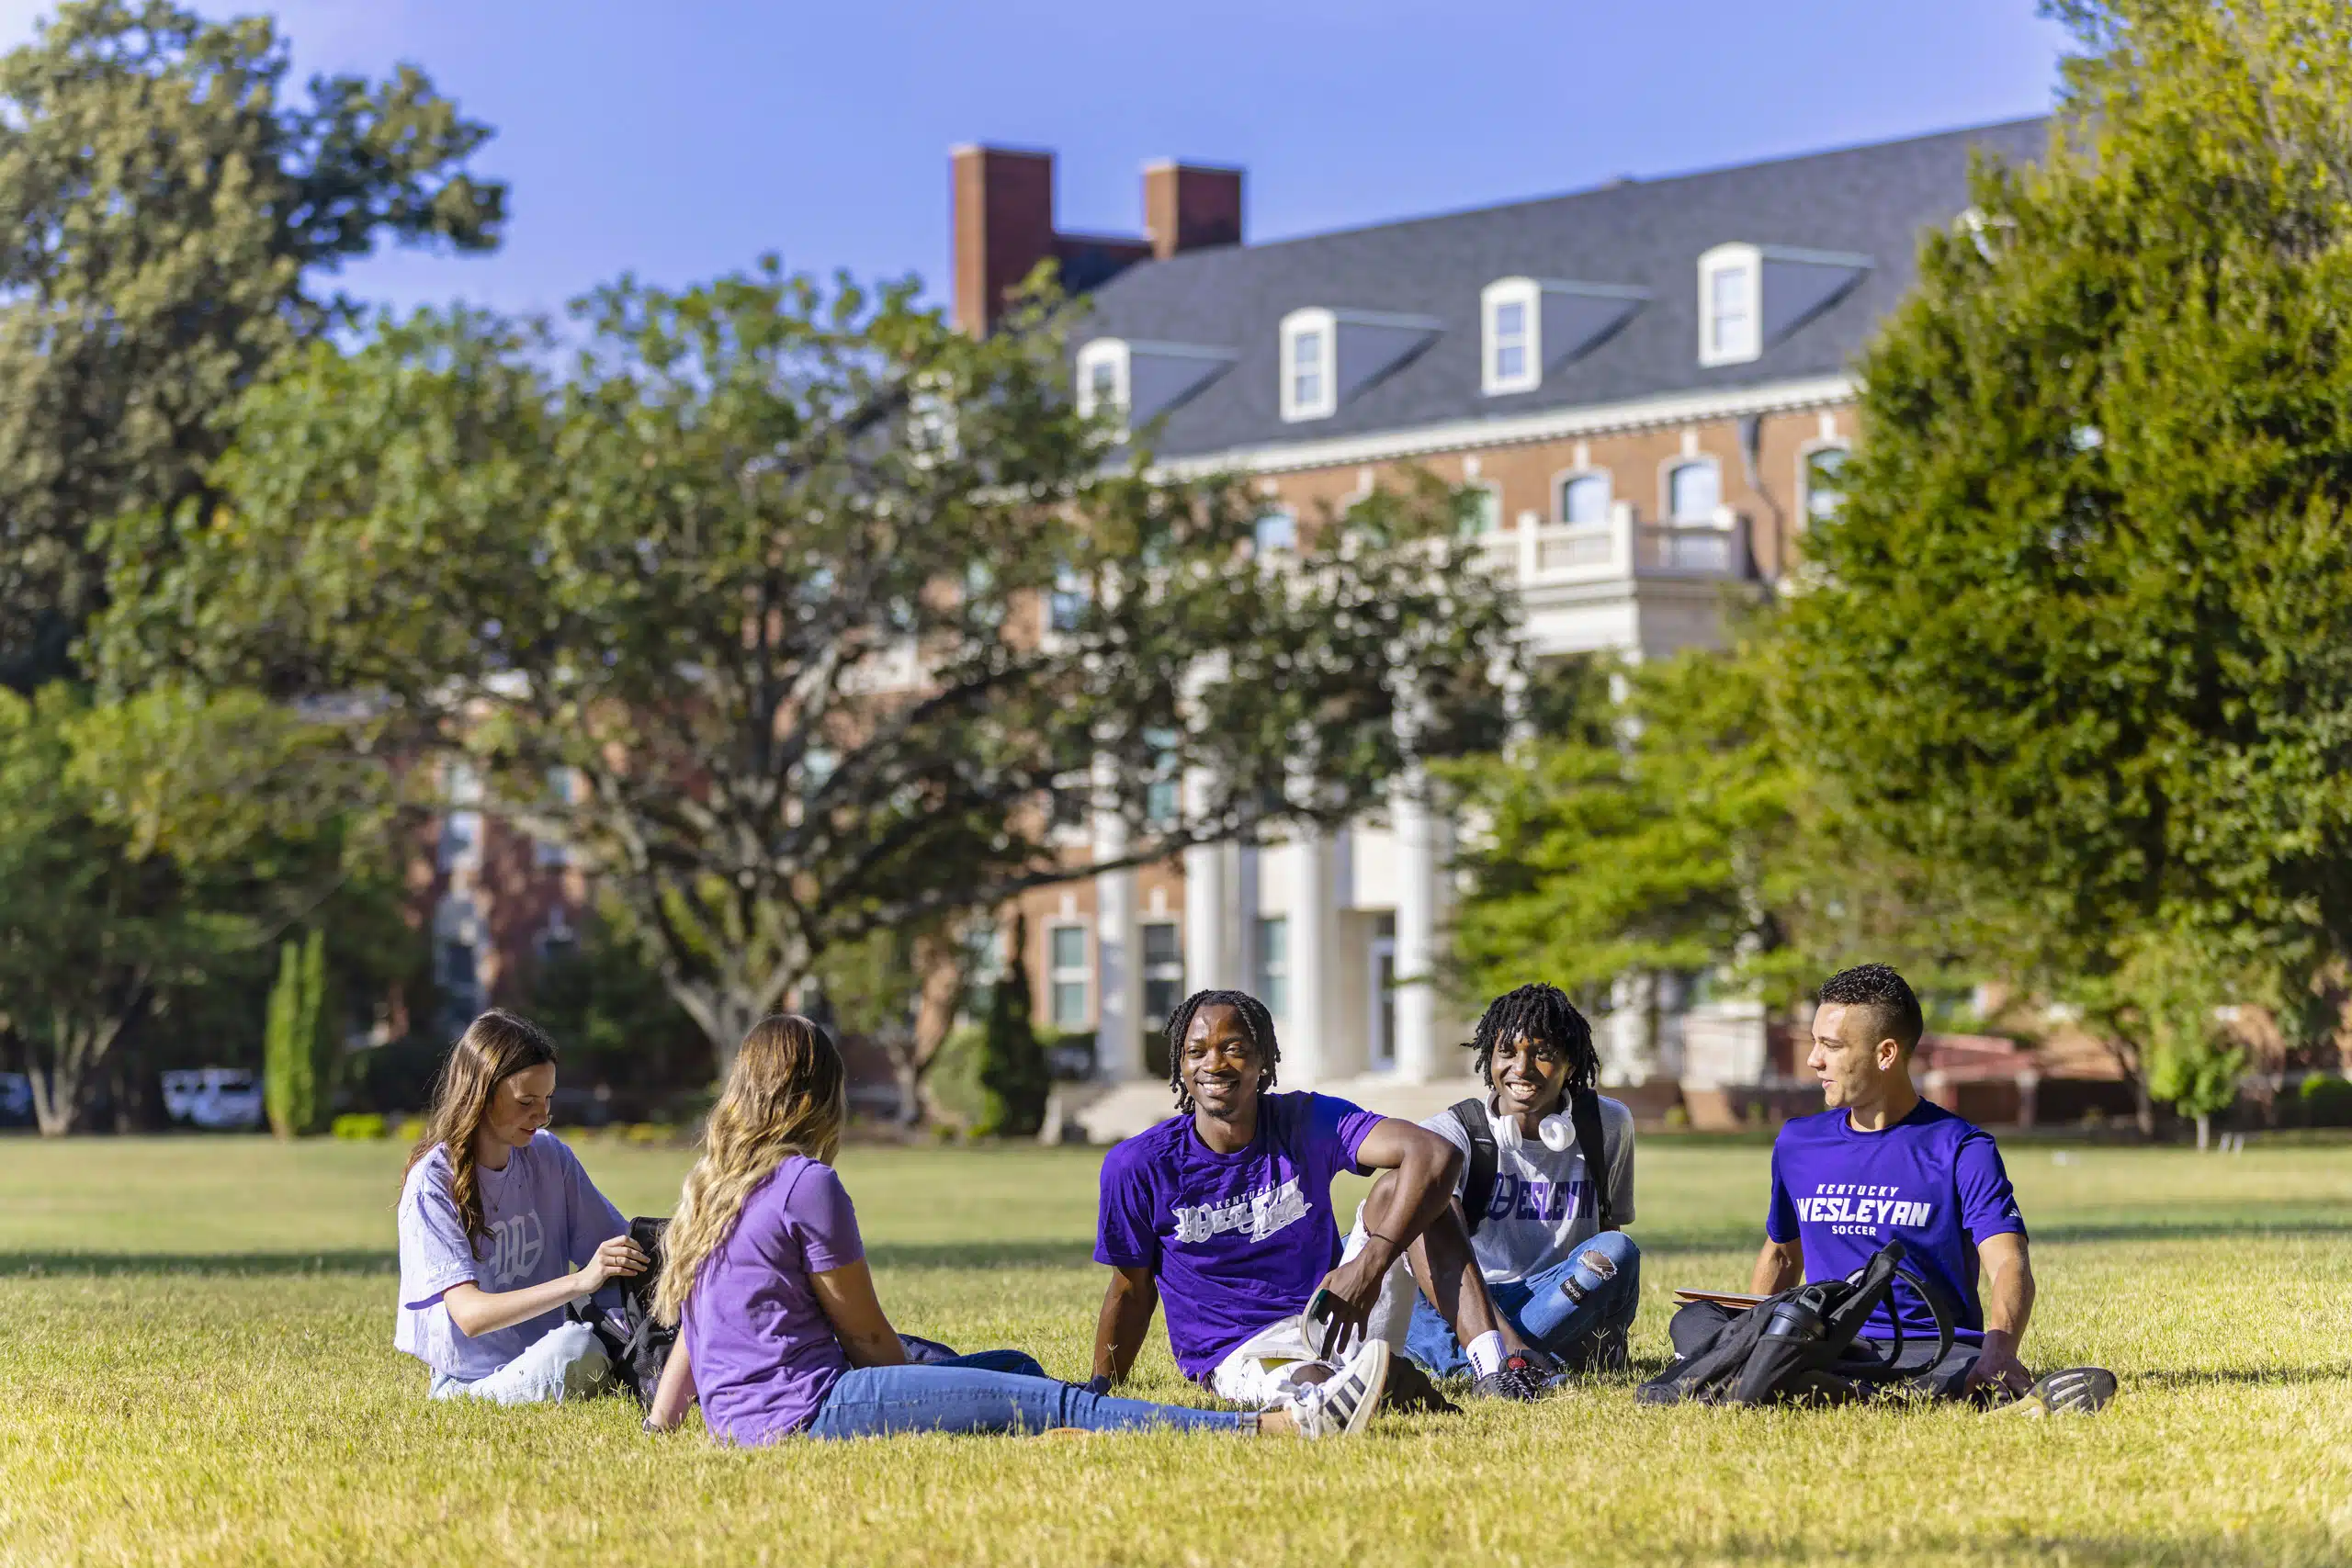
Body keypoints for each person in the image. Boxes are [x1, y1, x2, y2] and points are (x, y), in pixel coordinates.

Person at [643, 1013, 1358, 1441]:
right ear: (822, 1095)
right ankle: (1276, 1426)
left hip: (749, 1418)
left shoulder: (712, 1183)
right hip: (811, 1410)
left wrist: (661, 1423)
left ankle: (1052, 1424)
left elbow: (692, 1329)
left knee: (1012, 1367)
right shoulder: (807, 1183)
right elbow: (866, 1341)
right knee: (1048, 1395)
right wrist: (928, 1397)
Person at [1728, 963, 2114, 1414]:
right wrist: (1747, 1342)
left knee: (1947, 1381)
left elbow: (2008, 1260)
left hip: (1933, 1350)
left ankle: (1966, 1399)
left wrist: (2000, 1351)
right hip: (1829, 1343)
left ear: (1886, 1053)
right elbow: (1780, 1254)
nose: (1814, 1059)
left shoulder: (1961, 1147)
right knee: (1700, 1331)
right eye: (1815, 1042)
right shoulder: (1798, 1142)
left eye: (1831, 1046)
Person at [1090, 988, 1467, 1431]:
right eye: (1196, 1052)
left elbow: (1436, 1153)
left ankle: (1492, 1364)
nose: (1213, 1064)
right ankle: (1371, 1383)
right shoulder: (1138, 1164)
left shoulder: (1304, 1119)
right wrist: (1100, 1386)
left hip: (1338, 1314)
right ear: (1181, 1065)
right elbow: (1131, 1289)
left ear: (1263, 1061)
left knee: (1411, 1193)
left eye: (1234, 1049)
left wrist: (1368, 1265)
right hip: (1239, 1348)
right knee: (1310, 1386)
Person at [1349, 983, 1638, 1398]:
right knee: (1384, 1224)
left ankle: (1467, 1363)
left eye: (1543, 1053)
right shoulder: (1452, 1134)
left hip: (1557, 1295)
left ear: (1569, 1064)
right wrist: (1492, 1330)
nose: (1522, 1068)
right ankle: (1512, 1358)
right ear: (1490, 1059)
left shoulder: (1607, 1124)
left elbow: (1609, 1226)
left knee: (1616, 1252)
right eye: (1508, 1052)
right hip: (1470, 1299)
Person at [394, 1010, 650, 1404]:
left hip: (547, 1351)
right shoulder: (432, 1183)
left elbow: (618, 1251)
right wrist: (579, 1282)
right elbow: (470, 1315)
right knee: (577, 1351)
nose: (543, 1115)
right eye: (526, 1101)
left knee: (596, 1342)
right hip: (470, 1385)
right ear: (480, 1094)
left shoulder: (549, 1157)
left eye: (547, 1098)